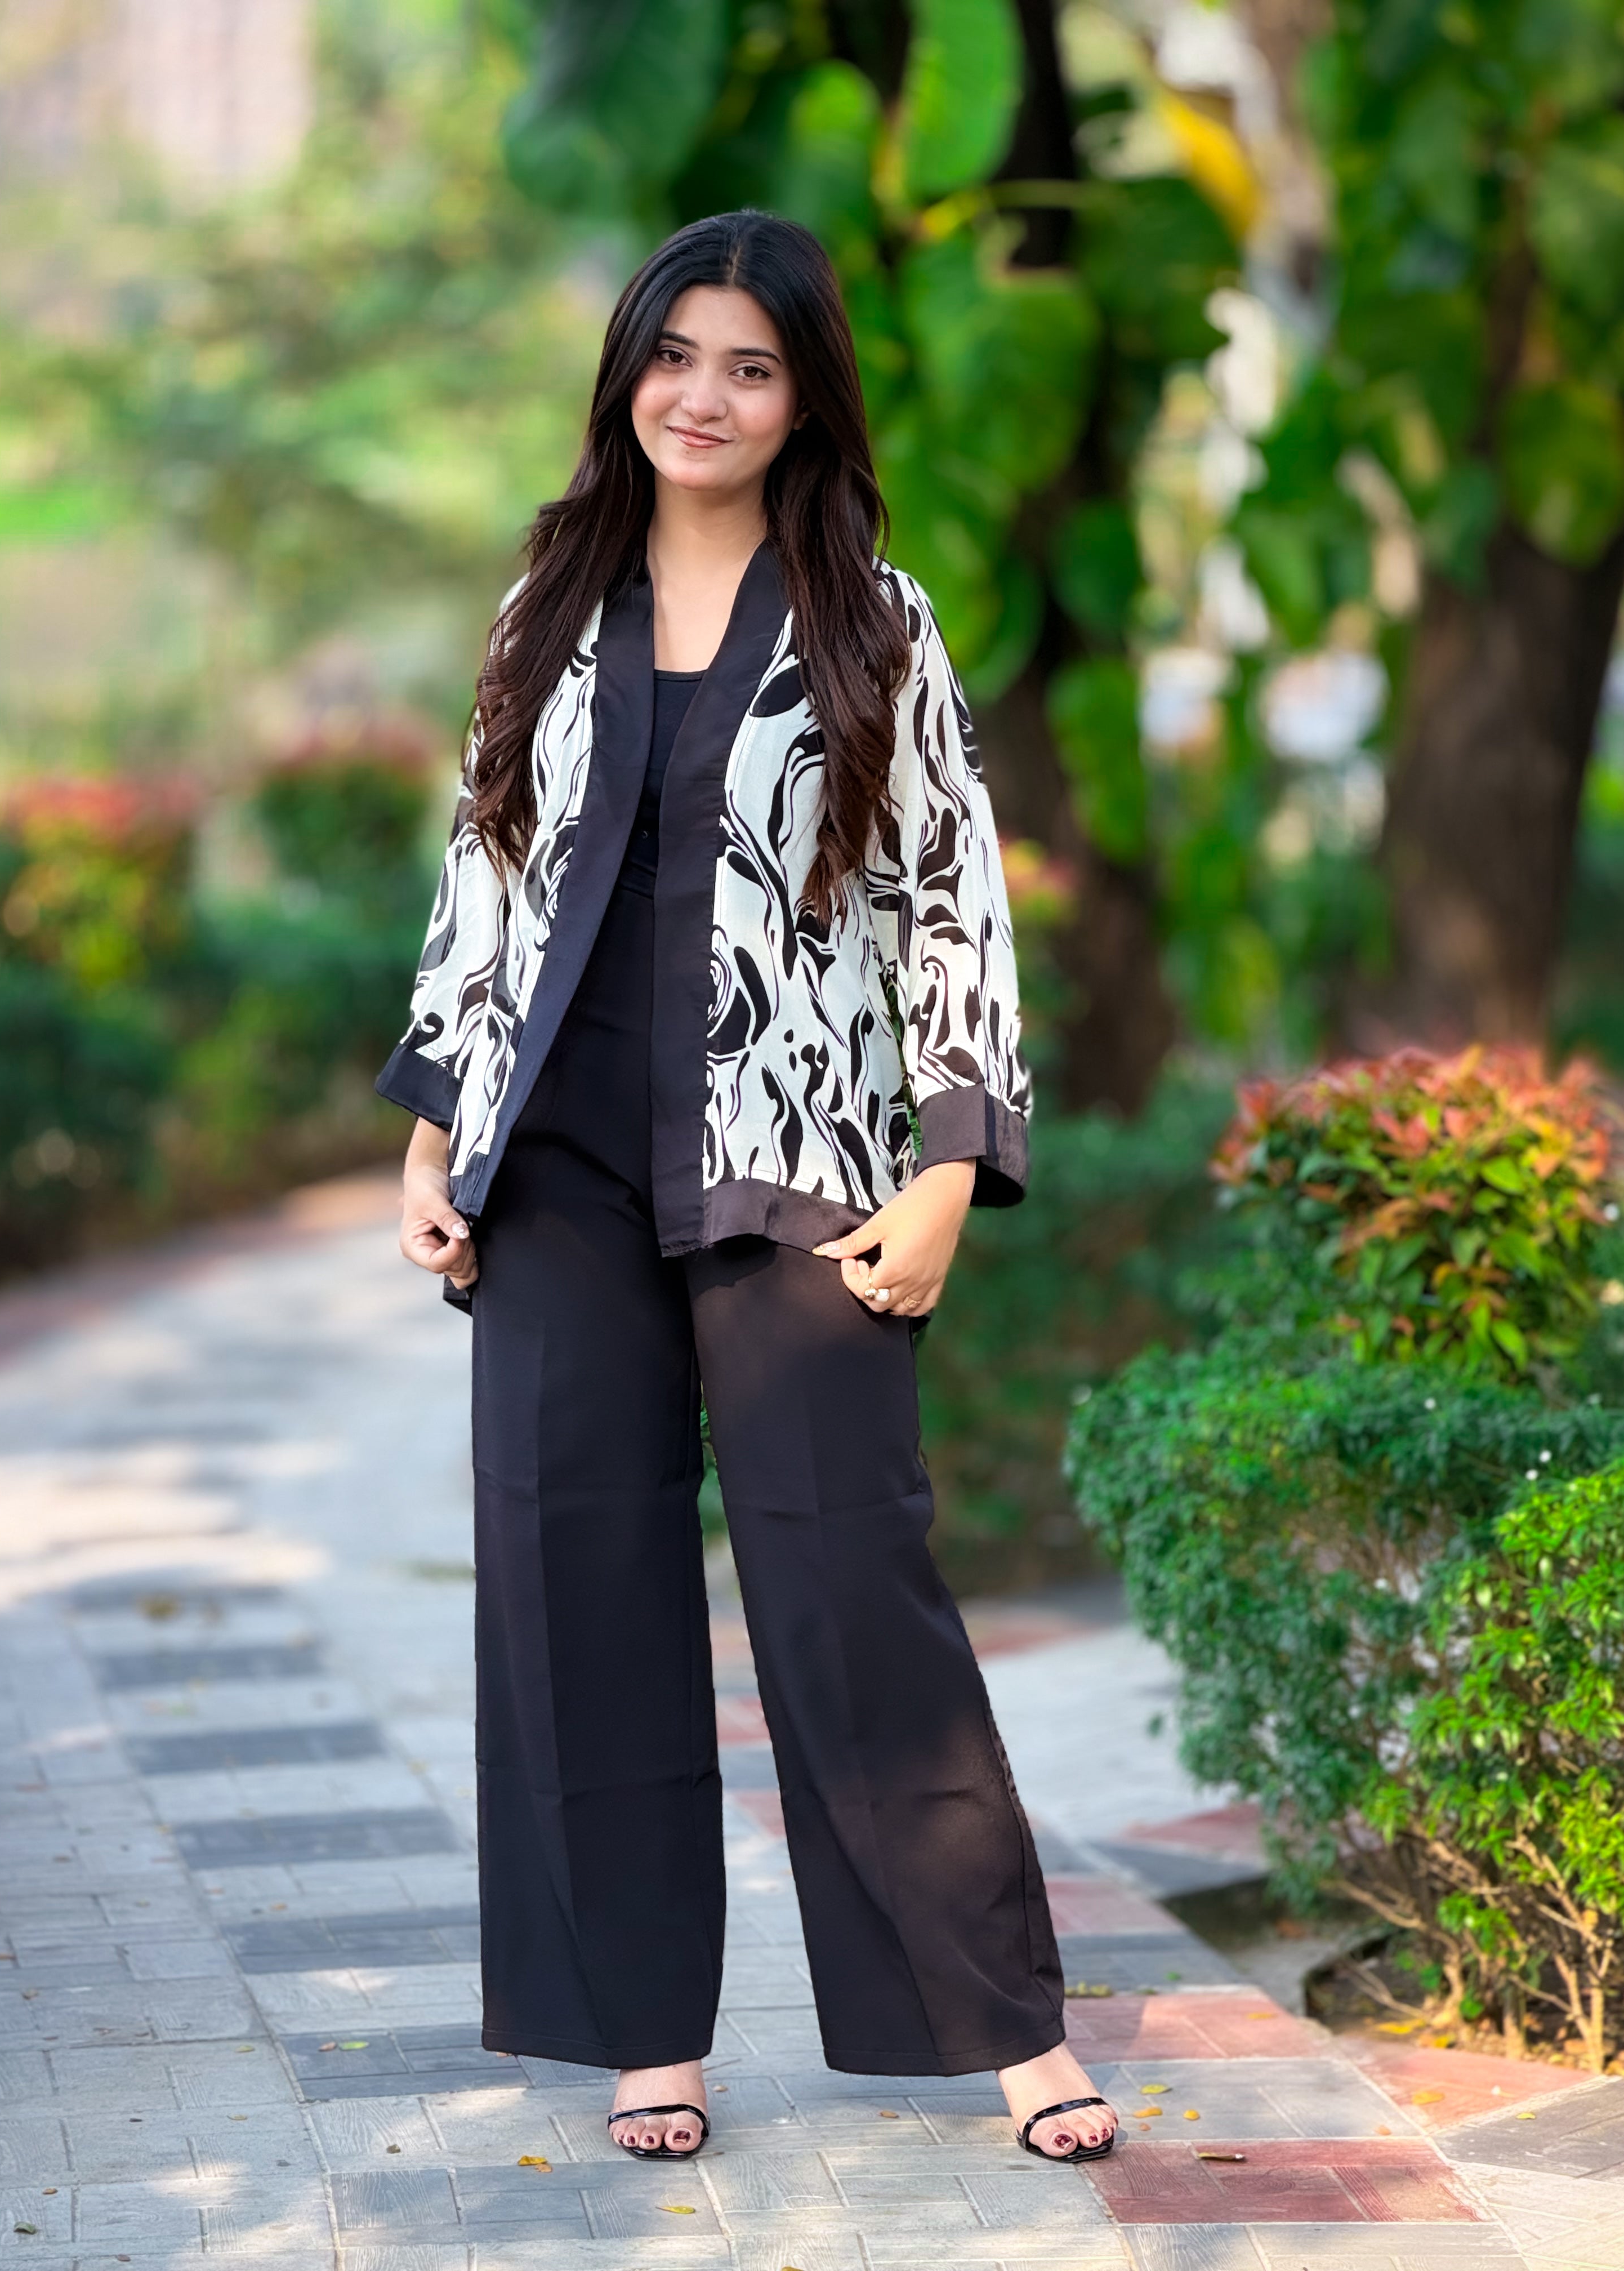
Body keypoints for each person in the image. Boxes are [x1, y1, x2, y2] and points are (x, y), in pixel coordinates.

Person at [377, 209, 1118, 2168]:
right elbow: (483, 875)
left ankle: (1012, 2028)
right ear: (631, 370)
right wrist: (438, 1125)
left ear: (805, 400)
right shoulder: (548, 596)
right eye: (675, 354)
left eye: (751, 365)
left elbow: (948, 899)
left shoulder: (876, 615)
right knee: (576, 1584)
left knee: (851, 1581)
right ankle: (645, 2029)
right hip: (553, 1170)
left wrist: (955, 1161)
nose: (702, 396)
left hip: (802, 1164)